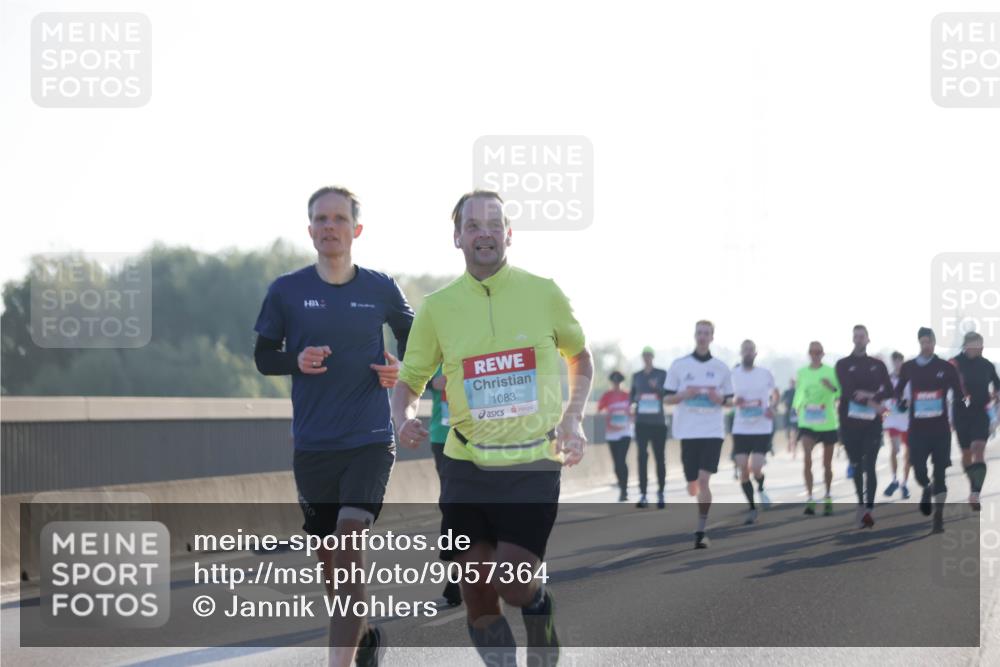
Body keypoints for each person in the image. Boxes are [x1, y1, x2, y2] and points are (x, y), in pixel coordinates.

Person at [391, 190, 593, 667]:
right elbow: (409, 381)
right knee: (477, 591)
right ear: (457, 238)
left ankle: (538, 606)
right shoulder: (438, 307)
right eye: (473, 226)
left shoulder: (543, 292)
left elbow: (579, 357)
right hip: (466, 465)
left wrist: (573, 417)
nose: (484, 233)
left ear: (508, 234)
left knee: (513, 582)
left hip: (533, 461)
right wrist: (404, 418)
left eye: (494, 224)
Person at [253, 186, 412, 667]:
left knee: (348, 543)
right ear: (310, 230)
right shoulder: (286, 290)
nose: (330, 226)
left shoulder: (380, 288)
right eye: (321, 219)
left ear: (356, 229)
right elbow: (264, 357)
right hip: (313, 446)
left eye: (339, 218)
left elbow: (417, 342)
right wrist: (296, 360)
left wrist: (401, 368)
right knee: (331, 565)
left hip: (369, 440)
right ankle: (364, 638)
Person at [664, 320, 734, 549]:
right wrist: (684, 394)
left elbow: (730, 401)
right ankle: (692, 487)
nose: (702, 336)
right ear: (695, 336)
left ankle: (701, 530)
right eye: (699, 333)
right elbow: (666, 398)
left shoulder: (721, 368)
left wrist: (719, 399)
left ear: (712, 337)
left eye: (706, 333)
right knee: (692, 483)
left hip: (712, 431)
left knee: (704, 481)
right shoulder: (679, 365)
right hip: (688, 431)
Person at [894, 327, 966, 533]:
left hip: (940, 430)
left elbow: (959, 393)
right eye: (923, 342)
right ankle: (926, 487)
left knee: (940, 474)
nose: (926, 346)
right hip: (917, 429)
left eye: (929, 342)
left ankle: (938, 517)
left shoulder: (946, 367)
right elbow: (898, 390)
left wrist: (962, 406)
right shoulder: (909, 367)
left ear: (934, 343)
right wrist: (901, 402)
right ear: (919, 343)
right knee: (918, 469)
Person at [834, 325, 893, 529]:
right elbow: (849, 391)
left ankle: (869, 508)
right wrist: (874, 404)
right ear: (853, 339)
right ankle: (860, 503)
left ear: (868, 339)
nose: (859, 339)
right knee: (857, 466)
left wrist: (871, 396)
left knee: (870, 465)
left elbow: (889, 390)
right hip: (849, 425)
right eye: (856, 336)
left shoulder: (878, 365)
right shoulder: (843, 364)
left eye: (862, 336)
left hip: (872, 425)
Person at [950, 331, 1000, 512]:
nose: (981, 348)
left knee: (978, 449)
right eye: (978, 345)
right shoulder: (954, 363)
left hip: (981, 413)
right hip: (961, 414)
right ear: (966, 346)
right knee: (966, 455)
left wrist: (997, 398)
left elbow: (997, 386)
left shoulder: (987, 365)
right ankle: (974, 483)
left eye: (982, 345)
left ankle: (975, 493)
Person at [792, 341, 841, 516]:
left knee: (827, 464)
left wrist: (831, 387)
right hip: (808, 422)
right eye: (812, 352)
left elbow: (840, 393)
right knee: (807, 459)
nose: (815, 354)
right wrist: (796, 407)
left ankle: (827, 497)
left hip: (827, 422)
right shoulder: (802, 372)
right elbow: (799, 392)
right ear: (809, 353)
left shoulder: (831, 371)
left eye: (818, 352)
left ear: (823, 354)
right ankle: (810, 498)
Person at [730, 339, 776, 525]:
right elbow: (727, 397)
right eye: (745, 350)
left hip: (761, 427)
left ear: (755, 353)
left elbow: (775, 393)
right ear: (741, 353)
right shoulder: (733, 374)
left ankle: (761, 488)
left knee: (756, 467)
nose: (748, 352)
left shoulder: (765, 373)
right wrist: (735, 401)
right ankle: (752, 508)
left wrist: (772, 406)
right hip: (741, 427)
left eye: (751, 350)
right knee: (743, 467)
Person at [428, 364, 463, 606]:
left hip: (482, 436)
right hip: (443, 437)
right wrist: (432, 384)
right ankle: (456, 572)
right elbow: (410, 379)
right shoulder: (435, 357)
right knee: (453, 503)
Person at [630, 347, 668, 508]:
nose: (647, 358)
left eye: (649, 355)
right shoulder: (636, 376)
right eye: (644, 356)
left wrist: (656, 388)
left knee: (660, 458)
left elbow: (668, 394)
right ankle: (643, 494)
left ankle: (661, 493)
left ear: (653, 357)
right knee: (642, 458)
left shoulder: (661, 374)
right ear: (642, 357)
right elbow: (631, 397)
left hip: (658, 423)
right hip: (642, 423)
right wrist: (635, 400)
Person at [598, 371, 633, 501]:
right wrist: (607, 414)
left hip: (625, 432)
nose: (616, 385)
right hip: (612, 433)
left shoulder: (627, 395)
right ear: (611, 383)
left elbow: (634, 410)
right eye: (614, 382)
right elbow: (599, 410)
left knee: (621, 459)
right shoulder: (607, 395)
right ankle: (621, 483)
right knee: (616, 463)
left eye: (618, 382)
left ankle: (624, 490)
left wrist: (631, 415)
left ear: (621, 383)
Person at [883, 351, 912, 499]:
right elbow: (884, 401)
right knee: (894, 450)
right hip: (892, 420)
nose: (897, 364)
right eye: (894, 361)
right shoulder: (887, 379)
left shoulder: (909, 379)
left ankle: (904, 484)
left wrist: (907, 403)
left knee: (908, 453)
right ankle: (894, 480)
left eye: (899, 361)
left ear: (902, 362)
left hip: (907, 421)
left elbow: (913, 398)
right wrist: (884, 417)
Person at [782, 379, 798, 459]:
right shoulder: (786, 392)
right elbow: (782, 401)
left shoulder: (797, 391)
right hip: (788, 414)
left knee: (794, 432)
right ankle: (790, 444)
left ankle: (793, 449)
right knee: (788, 432)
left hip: (795, 413)